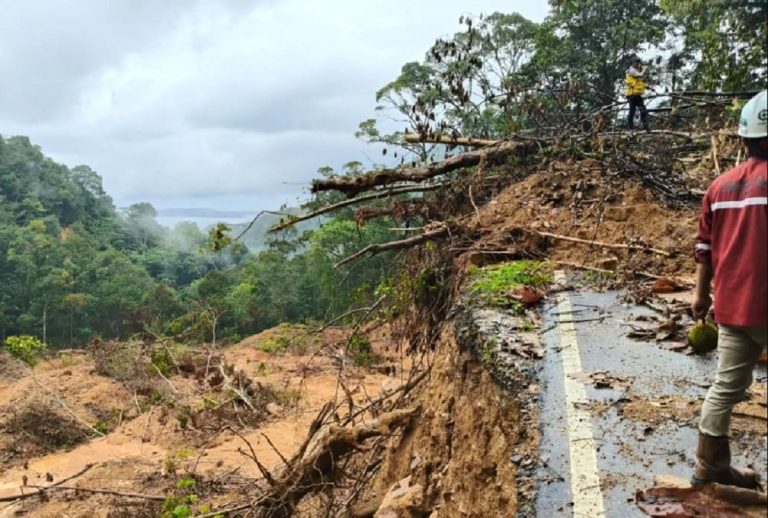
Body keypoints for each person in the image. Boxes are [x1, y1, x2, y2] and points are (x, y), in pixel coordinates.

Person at [691, 90, 768, 489]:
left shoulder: (719, 188)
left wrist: (700, 296)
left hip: (732, 308)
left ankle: (710, 467)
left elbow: (703, 247)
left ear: (743, 139)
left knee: (725, 388)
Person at [625, 57, 650, 132]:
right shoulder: (631, 70)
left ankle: (631, 128)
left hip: (634, 94)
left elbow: (637, 82)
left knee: (632, 111)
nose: (638, 64)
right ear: (633, 63)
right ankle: (645, 126)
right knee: (642, 109)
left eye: (638, 63)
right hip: (633, 94)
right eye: (637, 62)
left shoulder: (634, 71)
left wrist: (646, 86)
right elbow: (640, 75)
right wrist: (644, 69)